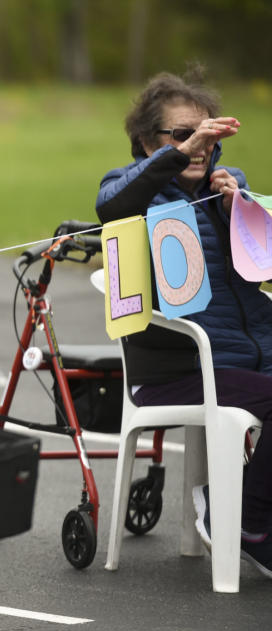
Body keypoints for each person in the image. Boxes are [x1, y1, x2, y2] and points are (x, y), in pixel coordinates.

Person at [95, 69, 272, 580]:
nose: (197, 146)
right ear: (148, 142)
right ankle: (241, 520)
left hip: (248, 356)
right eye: (180, 135)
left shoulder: (229, 189)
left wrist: (232, 209)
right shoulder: (130, 192)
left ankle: (241, 504)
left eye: (205, 133)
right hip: (180, 368)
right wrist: (172, 160)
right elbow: (110, 206)